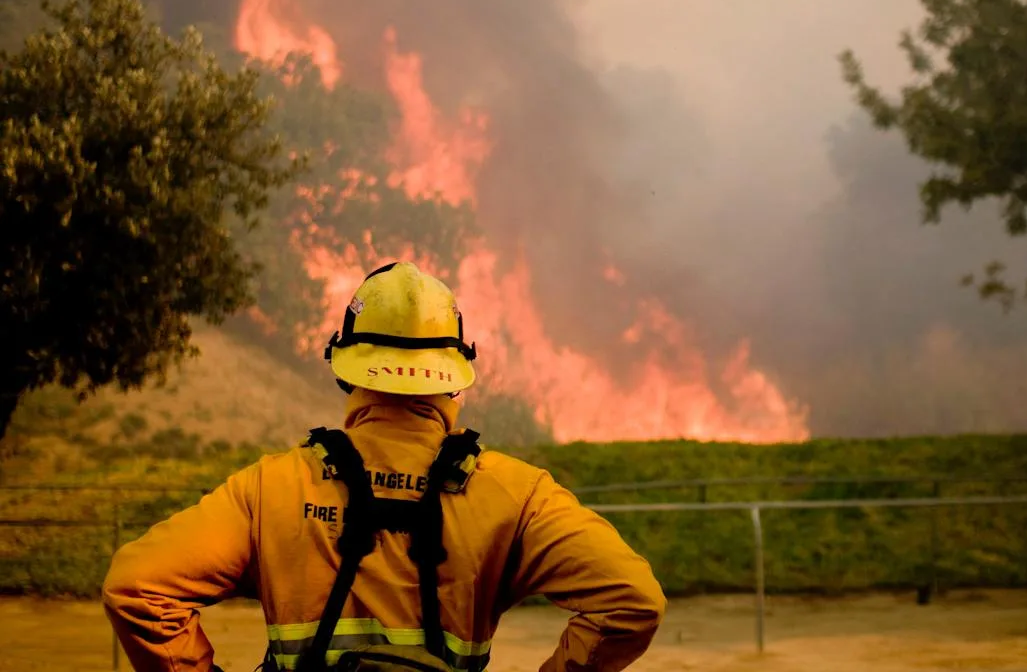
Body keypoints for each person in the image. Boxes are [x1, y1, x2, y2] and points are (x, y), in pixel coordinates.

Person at [103, 261, 667, 672]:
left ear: (347, 371)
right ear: (456, 376)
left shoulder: (269, 487)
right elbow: (632, 600)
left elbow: (137, 588)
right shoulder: (518, 496)